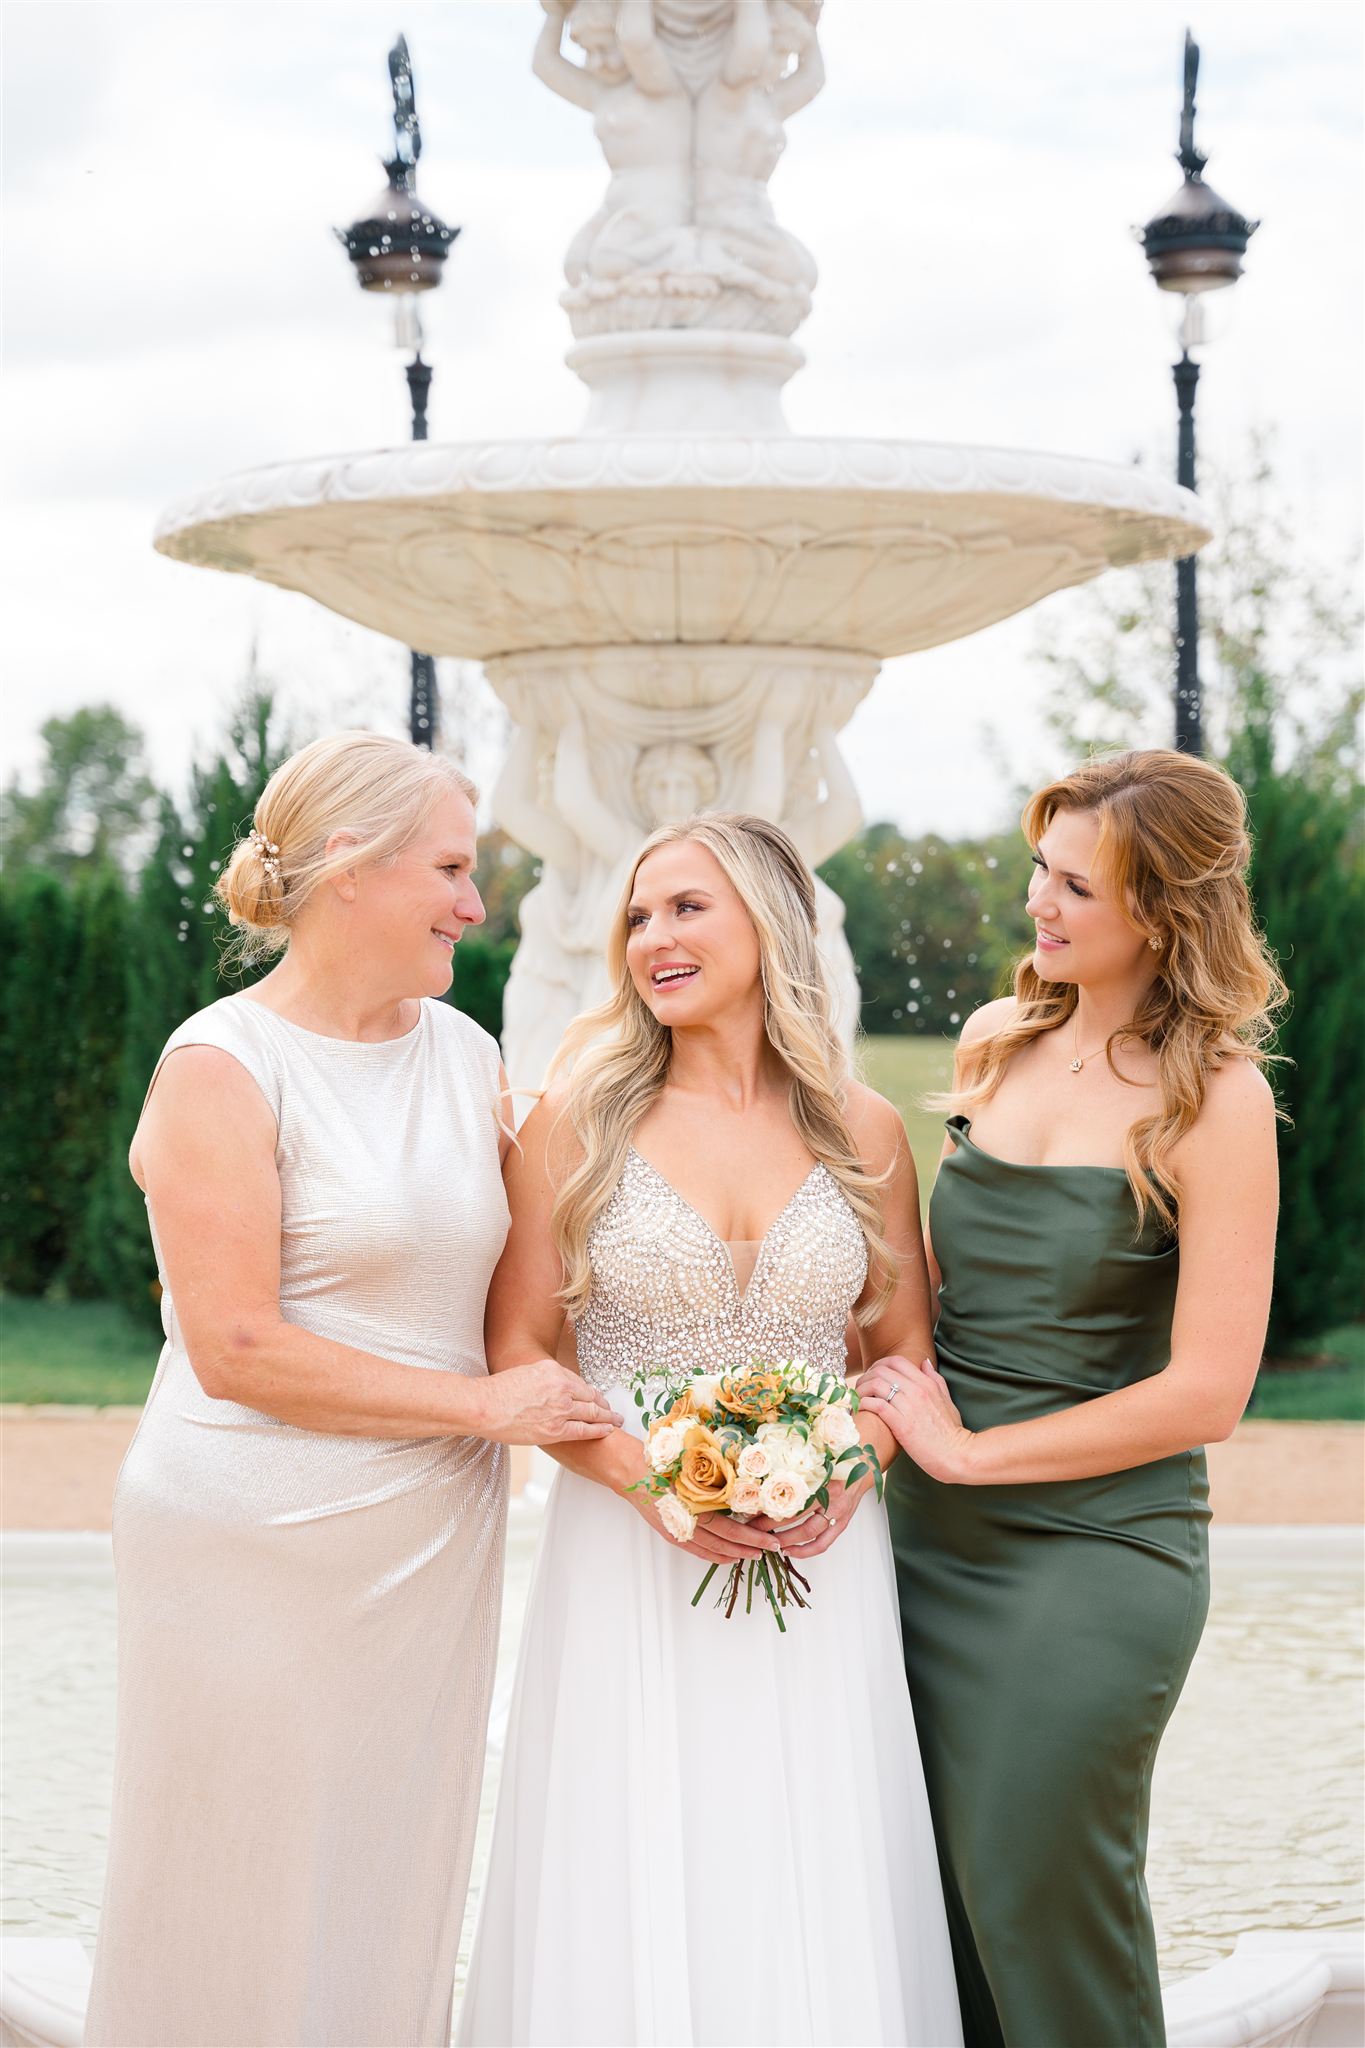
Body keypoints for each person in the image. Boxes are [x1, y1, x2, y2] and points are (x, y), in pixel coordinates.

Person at [83, 732, 618, 2048]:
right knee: (232, 1879)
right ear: (347, 866)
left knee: (392, 1871)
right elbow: (237, 1347)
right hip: (250, 1534)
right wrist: (485, 1411)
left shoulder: (465, 1052)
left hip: (429, 1540)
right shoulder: (221, 1064)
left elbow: (538, 1269)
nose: (474, 904)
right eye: (450, 868)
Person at [457, 812, 962, 2048]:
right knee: (629, 1843)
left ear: (769, 922)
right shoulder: (578, 1121)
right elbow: (518, 1350)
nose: (653, 937)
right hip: (627, 1543)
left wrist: (846, 1472)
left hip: (822, 1554)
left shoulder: (862, 1127)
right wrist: (650, 1482)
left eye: (687, 906)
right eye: (638, 915)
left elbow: (902, 1355)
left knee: (810, 1849)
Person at [858, 749, 1282, 2048]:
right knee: (939, 1899)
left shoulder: (1220, 1096)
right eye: (1040, 869)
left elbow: (1207, 1392)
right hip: (930, 1538)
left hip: (1100, 1547)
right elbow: (935, 1287)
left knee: (1037, 1881)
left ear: (1162, 910)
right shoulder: (997, 1039)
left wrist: (971, 1455)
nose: (1037, 902)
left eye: (1076, 886)